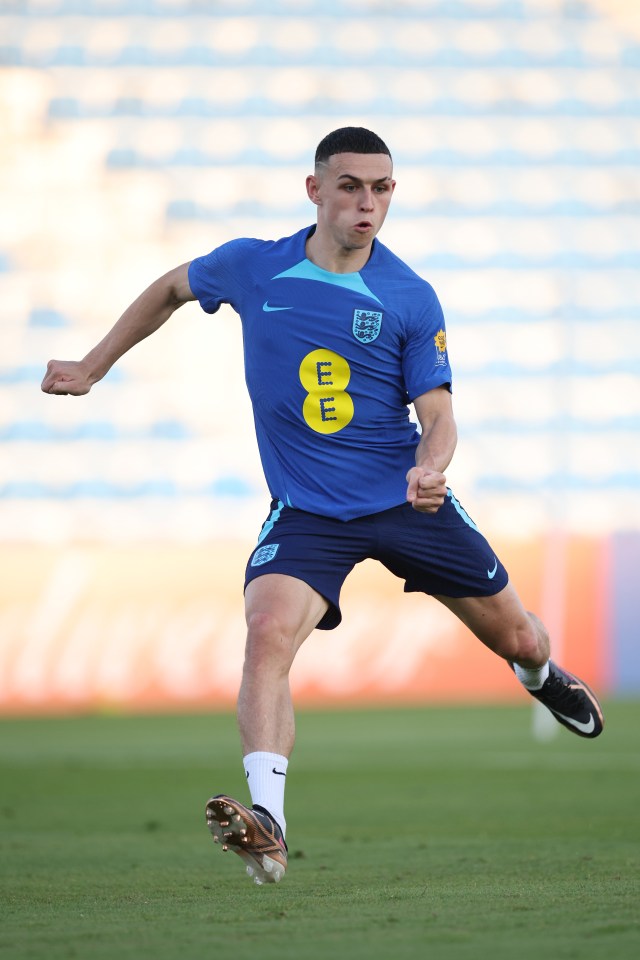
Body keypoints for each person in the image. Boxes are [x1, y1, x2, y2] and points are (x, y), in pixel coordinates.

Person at [42, 126, 604, 886]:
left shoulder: (408, 295)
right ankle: (268, 823)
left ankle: (539, 675)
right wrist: (93, 364)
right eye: (350, 187)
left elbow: (436, 412)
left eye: (381, 189)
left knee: (521, 637)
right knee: (266, 631)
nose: (366, 203)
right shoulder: (253, 265)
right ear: (316, 191)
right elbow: (174, 286)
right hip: (306, 510)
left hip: (407, 501)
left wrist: (432, 467)